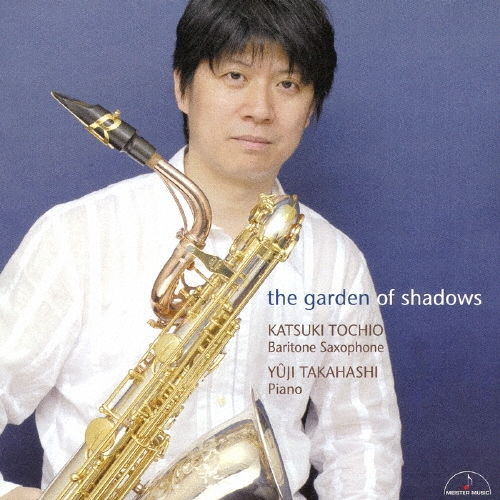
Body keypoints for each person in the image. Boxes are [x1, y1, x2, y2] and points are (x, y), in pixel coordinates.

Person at [0, 0, 403, 498]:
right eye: (235, 76)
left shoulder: (335, 261)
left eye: (288, 84)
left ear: (310, 107)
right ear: (182, 88)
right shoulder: (75, 237)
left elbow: (362, 440)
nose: (260, 110)